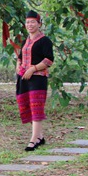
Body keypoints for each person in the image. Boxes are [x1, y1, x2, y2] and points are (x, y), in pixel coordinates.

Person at [15, 10, 55, 151]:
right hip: (23, 78)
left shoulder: (45, 41)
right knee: (26, 105)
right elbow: (20, 57)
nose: (30, 24)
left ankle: (33, 139)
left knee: (36, 107)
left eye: (33, 22)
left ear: (39, 24)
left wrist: (33, 69)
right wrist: (18, 67)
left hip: (37, 78)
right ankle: (39, 136)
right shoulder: (26, 41)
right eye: (27, 22)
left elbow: (49, 60)